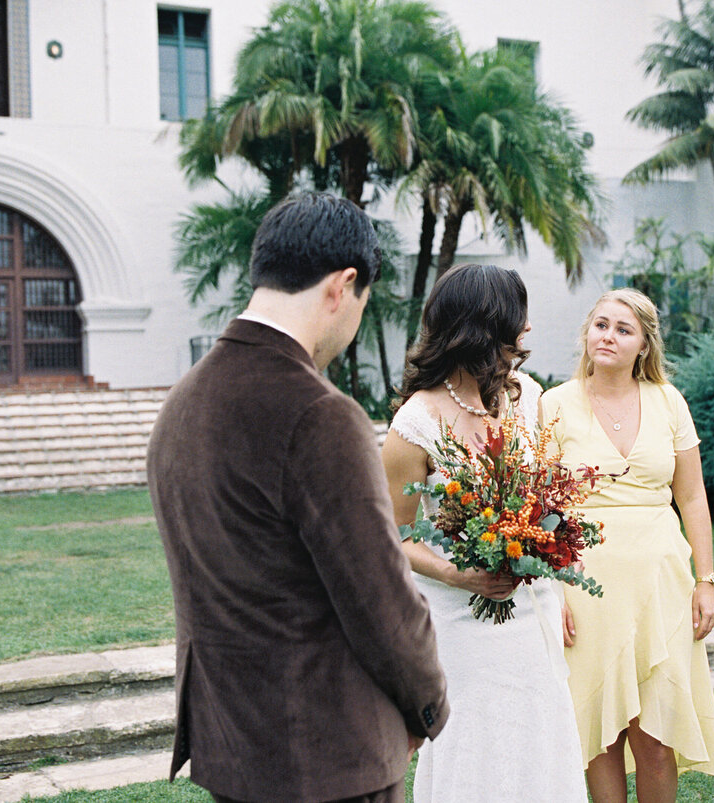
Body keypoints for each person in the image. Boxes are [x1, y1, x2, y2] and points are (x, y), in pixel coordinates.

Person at [147, 193, 448, 803]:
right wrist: (427, 708)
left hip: (233, 746)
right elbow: (380, 599)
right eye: (362, 304)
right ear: (343, 285)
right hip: (328, 752)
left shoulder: (180, 403)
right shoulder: (318, 413)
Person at [381, 263, 588, 803]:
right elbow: (394, 539)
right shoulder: (415, 423)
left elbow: (544, 492)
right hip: (459, 623)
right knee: (473, 744)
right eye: (517, 318)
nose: (526, 330)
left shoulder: (527, 397)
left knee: (539, 736)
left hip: (531, 608)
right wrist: (458, 572)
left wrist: (556, 577)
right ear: (484, 326)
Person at [540, 288, 714, 803]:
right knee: (600, 734)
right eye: (601, 324)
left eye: (624, 329)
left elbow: (692, 497)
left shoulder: (669, 400)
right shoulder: (553, 403)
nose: (609, 336)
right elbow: (542, 510)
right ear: (586, 332)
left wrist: (706, 582)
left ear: (644, 345)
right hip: (585, 584)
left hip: (660, 582)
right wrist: (552, 590)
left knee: (656, 733)